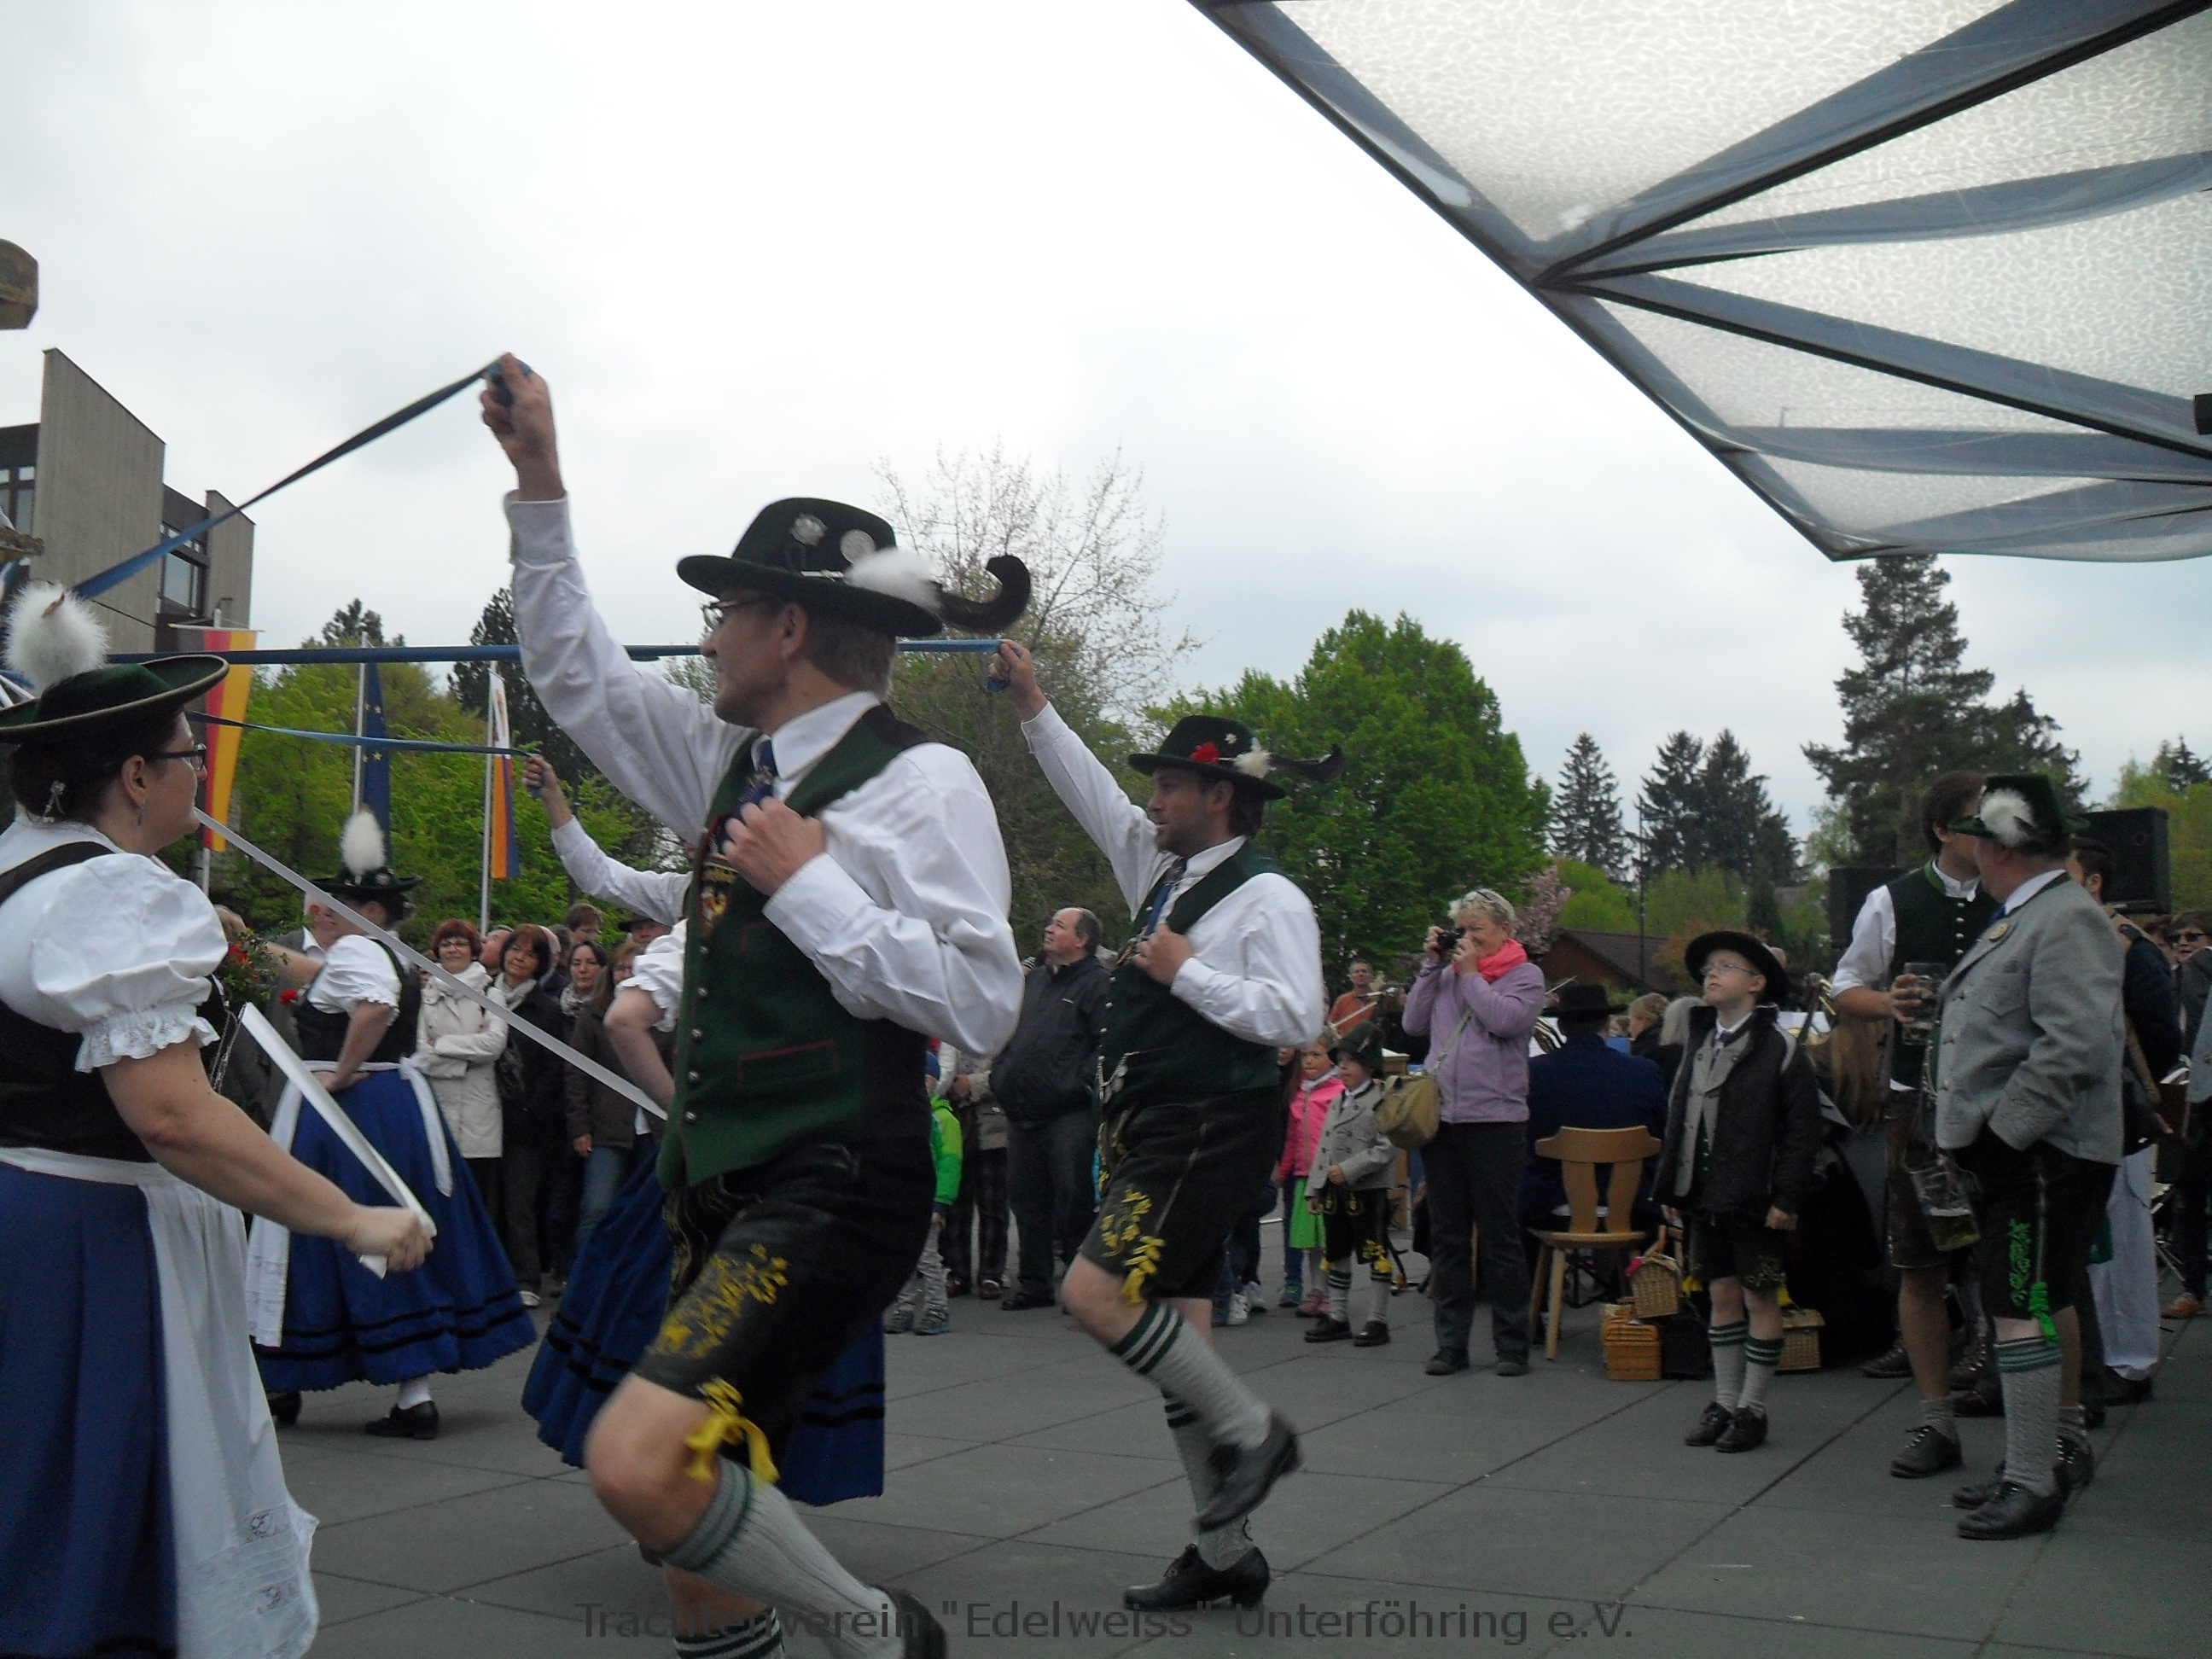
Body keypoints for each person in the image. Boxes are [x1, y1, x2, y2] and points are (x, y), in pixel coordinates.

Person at [486, 354, 1024, 1659]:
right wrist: (541, 480)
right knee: (696, 1546)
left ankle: (877, 1634)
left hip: (837, 1177)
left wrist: (812, 887)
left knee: (641, 1461)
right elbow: (579, 675)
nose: (708, 636)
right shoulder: (735, 761)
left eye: (724, 612)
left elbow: (984, 1002)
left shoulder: (924, 780)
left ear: (788, 629)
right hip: (718, 1181)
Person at [0, 588, 430, 1659]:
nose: (201, 772)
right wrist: (351, 1218)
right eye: (188, 754)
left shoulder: (17, 870)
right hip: (96, 1240)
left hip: (30, 1216)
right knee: (95, 1514)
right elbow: (175, 1119)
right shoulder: (115, 896)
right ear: (136, 776)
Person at [992, 635, 1330, 1615]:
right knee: (1180, 1342)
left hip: (1208, 1126)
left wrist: (1188, 972)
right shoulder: (1158, 866)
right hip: (1156, 1128)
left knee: (1093, 1294)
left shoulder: (1271, 895)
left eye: (1170, 786)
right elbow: (1090, 790)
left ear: (1219, 795)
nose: (1152, 801)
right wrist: (1032, 701)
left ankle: (1258, 1432)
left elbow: (1297, 1018)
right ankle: (1225, 1553)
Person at [248, 809, 533, 1440]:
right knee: (380, 1233)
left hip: (350, 1114)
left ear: (370, 910)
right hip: (395, 1106)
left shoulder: (359, 949)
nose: (321, 910)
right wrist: (241, 942)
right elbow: (321, 979)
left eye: (336, 902)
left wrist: (342, 1073)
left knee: (314, 1228)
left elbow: (372, 1007)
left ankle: (294, 1381)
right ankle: (400, 1393)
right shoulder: (380, 950)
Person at [1931, 777, 2125, 1540]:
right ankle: (2032, 1462)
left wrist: (2002, 1135)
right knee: (2027, 1305)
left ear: (2001, 847)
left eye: (1979, 836)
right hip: (2032, 1154)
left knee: (2021, 1311)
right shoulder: (2035, 913)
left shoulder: (2063, 916)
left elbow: (2074, 1044)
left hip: (2042, 1154)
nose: (1972, 849)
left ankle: (2032, 1482)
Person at [1827, 771, 1995, 1477]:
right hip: (1919, 1108)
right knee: (1922, 1264)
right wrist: (1888, 1005)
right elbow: (1844, 986)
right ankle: (1936, 1420)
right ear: (1943, 830)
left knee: (2015, 1263)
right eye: (1979, 819)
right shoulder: (1890, 900)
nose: (1993, 831)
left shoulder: (2021, 893)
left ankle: (2051, 1422)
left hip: (2003, 1104)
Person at [1660, 931, 1822, 1457]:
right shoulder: (1698, 1041)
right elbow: (1680, 1115)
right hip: (1706, 1194)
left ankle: (1753, 1408)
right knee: (1722, 1295)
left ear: (1756, 984)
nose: (1712, 973)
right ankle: (1724, 1402)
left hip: (1756, 1196)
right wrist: (1673, 1184)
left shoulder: (1781, 1049)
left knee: (1759, 1296)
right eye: (1709, 966)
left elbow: (1802, 1133)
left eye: (1726, 966)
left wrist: (1787, 1198)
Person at [1402, 888, 1546, 1378]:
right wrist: (1431, 967)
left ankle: (1512, 1345)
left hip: (1496, 1121)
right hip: (1443, 1120)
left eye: (1476, 929)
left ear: (1505, 930)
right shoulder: (1446, 973)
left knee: (1500, 1235)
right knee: (1448, 1236)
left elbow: (1507, 1021)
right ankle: (1451, 1345)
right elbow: (1412, 1023)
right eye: (1461, 929)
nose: (1467, 937)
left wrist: (1470, 977)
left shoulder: (1525, 976)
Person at [2066, 835, 2175, 1406]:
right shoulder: (2066, 937)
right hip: (2074, 1109)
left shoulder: (2132, 947)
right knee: (2089, 1240)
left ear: (2094, 882)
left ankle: (2130, 1362)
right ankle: (2094, 1355)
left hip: (2121, 1110)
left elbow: (2162, 1037)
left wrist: (2131, 1089)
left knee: (2125, 1236)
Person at [994, 905, 1110, 1311]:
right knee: (1026, 1201)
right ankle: (1034, 1283)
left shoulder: (1098, 984)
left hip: (1068, 1112)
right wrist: (1003, 1072)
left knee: (1074, 1197)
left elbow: (1104, 1045)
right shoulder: (1035, 981)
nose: (1048, 930)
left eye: (1059, 926)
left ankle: (1083, 1287)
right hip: (1021, 1109)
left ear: (1082, 939)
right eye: (1050, 924)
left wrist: (1076, 1083)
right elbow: (1012, 1032)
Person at [1520, 982, 1668, 1236]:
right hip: (1632, 1208)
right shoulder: (1644, 1072)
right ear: (1607, 1024)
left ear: (1562, 1027)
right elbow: (1661, 1132)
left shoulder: (1535, 1073)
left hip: (1551, 1208)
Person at [489, 923, 568, 1308]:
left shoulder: (547, 1009)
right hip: (481, 1111)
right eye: (515, 950)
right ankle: (488, 1275)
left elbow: (555, 1068)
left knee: (520, 1202)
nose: (519, 958)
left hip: (526, 1120)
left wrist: (530, 1108)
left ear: (540, 963)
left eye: (530, 954)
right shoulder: (482, 994)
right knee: (486, 1198)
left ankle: (526, 1277)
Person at [1303, 1022, 1397, 1346]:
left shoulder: (1382, 1100)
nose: (1343, 1068)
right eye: (1340, 1061)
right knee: (1337, 1251)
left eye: (1351, 1061)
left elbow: (1387, 1147)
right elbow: (1324, 1147)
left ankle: (1377, 1320)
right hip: (1334, 1191)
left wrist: (1349, 1169)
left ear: (1369, 1066)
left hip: (1367, 1191)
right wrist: (1315, 1188)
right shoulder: (1337, 1100)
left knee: (1375, 1252)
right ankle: (1337, 1316)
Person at [566, 937, 658, 1262]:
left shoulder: (665, 1014)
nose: (625, 974)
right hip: (606, 1130)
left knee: (649, 1213)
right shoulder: (592, 1015)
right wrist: (580, 1127)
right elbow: (576, 1074)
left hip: (653, 1129)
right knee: (596, 1208)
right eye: (620, 968)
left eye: (633, 968)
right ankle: (584, 1280)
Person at [525, 754, 690, 929]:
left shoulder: (680, 892)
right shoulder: (679, 892)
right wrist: (552, 796)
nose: (690, 837)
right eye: (686, 831)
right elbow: (598, 873)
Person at [414, 917, 509, 1210]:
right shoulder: (424, 996)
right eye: (446, 944)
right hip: (437, 1108)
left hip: (478, 1116)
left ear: (473, 950)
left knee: (476, 1201)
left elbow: (493, 1045)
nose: (453, 950)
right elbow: (420, 1054)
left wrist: (441, 1045)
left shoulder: (491, 994)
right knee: (438, 1202)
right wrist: (466, 1059)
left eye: (460, 944)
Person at [888, 1083, 962, 1336]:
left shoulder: (943, 1119)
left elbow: (950, 1162)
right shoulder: (902, 1116)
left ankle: (937, 1309)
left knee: (928, 1258)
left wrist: (941, 1201)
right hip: (903, 1201)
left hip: (928, 1202)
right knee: (902, 1259)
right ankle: (904, 1307)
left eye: (928, 1077)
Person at [936, 1041, 1007, 1301]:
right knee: (956, 1206)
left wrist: (972, 1084)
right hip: (956, 1125)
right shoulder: (951, 1030)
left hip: (993, 1127)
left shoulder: (999, 1030)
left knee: (993, 1206)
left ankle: (991, 1274)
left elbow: (1008, 1072)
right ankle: (958, 1273)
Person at [1275, 1040, 1339, 1314]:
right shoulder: (1300, 1093)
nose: (1309, 1061)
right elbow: (1292, 1138)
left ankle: (1334, 1293)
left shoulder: (1338, 1092)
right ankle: (1317, 1291)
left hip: (1330, 1178)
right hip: (1304, 1177)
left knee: (1330, 1240)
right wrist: (1283, 1171)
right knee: (1312, 1242)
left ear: (1331, 1058)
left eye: (1316, 1055)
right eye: (1305, 1056)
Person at [1324, 960, 1379, 1040]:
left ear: (1371, 976)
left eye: (1364, 971)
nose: (1361, 974)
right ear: (1351, 977)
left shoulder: (1378, 1000)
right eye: (1356, 972)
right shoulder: (1342, 1000)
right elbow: (1331, 1024)